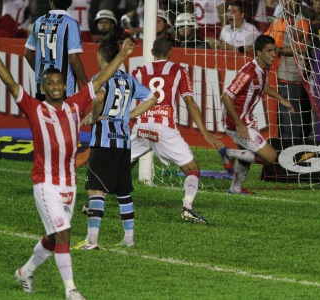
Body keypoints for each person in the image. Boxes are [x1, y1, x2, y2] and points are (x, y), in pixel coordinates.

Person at [0, 38, 136, 300]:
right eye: (50, 83)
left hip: (69, 184)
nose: (55, 87)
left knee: (54, 237)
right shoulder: (34, 108)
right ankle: (71, 290)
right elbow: (11, 84)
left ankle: (26, 271)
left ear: (65, 85)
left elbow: (99, 81)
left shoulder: (76, 104)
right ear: (42, 87)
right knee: (63, 232)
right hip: (45, 183)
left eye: (59, 82)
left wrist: (122, 56)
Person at [130, 37, 225, 223]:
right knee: (192, 169)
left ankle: (94, 199)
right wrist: (205, 133)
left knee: (121, 164)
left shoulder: (139, 71)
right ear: (170, 52)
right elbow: (190, 102)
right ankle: (187, 207)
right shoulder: (178, 70)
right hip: (164, 129)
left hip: (141, 127)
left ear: (152, 52)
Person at [74, 41, 157, 250]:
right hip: (123, 140)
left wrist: (94, 115)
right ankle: (129, 238)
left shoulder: (100, 78)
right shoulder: (129, 80)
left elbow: (100, 96)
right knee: (123, 191)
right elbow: (152, 98)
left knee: (95, 189)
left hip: (104, 140)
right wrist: (127, 116)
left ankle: (91, 240)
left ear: (101, 57)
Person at [218, 35, 294, 194]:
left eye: (274, 50)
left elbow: (262, 86)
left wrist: (281, 99)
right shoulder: (249, 72)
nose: (273, 54)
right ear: (258, 52)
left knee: (245, 156)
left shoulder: (264, 67)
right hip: (236, 122)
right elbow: (226, 96)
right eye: (269, 51)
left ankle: (235, 188)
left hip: (245, 119)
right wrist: (240, 124)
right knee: (270, 157)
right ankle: (228, 153)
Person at [263, 0, 311, 140]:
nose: (287, 4)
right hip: (274, 74)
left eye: (291, 1)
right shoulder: (278, 19)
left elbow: (302, 47)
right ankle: (281, 149)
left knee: (290, 117)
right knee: (278, 118)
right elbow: (267, 37)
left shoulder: (301, 21)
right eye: (284, 1)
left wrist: (278, 50)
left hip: (291, 76)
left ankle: (291, 149)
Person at [25, 0, 88, 101]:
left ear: (51, 2)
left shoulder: (39, 21)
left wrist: (42, 74)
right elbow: (73, 58)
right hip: (63, 89)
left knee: (43, 117)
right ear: (70, 3)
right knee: (62, 117)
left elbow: (28, 54)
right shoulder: (71, 24)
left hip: (42, 87)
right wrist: (86, 83)